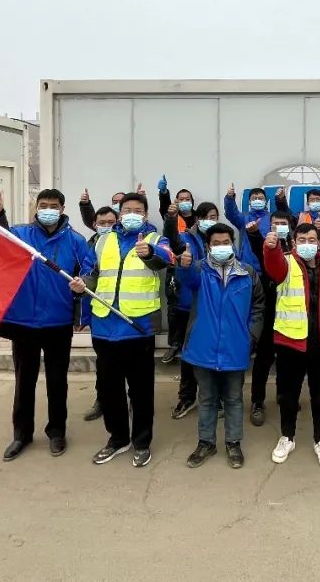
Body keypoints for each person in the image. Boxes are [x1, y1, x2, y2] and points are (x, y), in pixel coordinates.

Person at [0, 189, 95, 462]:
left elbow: (90, 271)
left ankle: (57, 432)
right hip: (23, 321)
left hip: (58, 321)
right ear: (36, 207)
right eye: (43, 205)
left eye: (53, 206)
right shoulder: (21, 234)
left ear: (62, 209)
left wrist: (83, 284)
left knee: (57, 382)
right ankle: (21, 434)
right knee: (24, 381)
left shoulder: (76, 241)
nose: (48, 210)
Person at [70, 193, 172, 469]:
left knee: (141, 391)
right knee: (109, 390)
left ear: (145, 214)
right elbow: (92, 272)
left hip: (138, 327)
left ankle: (141, 442)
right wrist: (82, 283)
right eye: (127, 209)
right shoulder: (103, 240)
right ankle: (118, 439)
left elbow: (166, 258)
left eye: (137, 210)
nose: (131, 214)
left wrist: (150, 253)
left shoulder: (154, 239)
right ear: (119, 212)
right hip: (104, 327)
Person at [262, 223, 320, 469]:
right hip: (290, 344)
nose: (307, 244)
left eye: (312, 239)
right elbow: (273, 266)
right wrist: (270, 248)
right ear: (293, 242)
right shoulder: (285, 263)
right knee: (288, 395)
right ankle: (287, 437)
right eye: (302, 239)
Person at [177, 224, 264, 469]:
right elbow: (185, 278)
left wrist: (251, 337)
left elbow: (259, 306)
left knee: (234, 399)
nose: (221, 246)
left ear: (233, 244)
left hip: (236, 348)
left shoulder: (247, 272)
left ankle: (233, 443)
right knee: (207, 399)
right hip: (202, 348)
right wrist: (183, 265)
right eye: (216, 243)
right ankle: (206, 442)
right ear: (208, 246)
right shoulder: (198, 269)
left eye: (226, 242)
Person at [166, 202, 221, 419]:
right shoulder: (186, 238)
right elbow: (172, 240)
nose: (211, 220)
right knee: (188, 355)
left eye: (214, 216)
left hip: (213, 306)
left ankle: (216, 398)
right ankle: (187, 397)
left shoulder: (222, 240)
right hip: (187, 305)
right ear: (197, 219)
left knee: (213, 352)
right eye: (207, 216)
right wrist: (171, 219)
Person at [247, 210, 293, 426]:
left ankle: (284, 396)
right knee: (263, 361)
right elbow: (259, 248)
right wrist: (254, 234)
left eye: (283, 223)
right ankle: (257, 401)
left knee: (287, 360)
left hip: (291, 314)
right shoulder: (267, 244)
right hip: (269, 312)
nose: (279, 226)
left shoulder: (296, 246)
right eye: (276, 223)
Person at [80, 206, 118, 422]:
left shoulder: (128, 244)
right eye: (102, 223)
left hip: (126, 313)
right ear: (94, 225)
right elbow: (87, 276)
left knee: (129, 364)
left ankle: (131, 401)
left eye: (111, 222)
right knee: (103, 362)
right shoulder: (91, 246)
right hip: (100, 314)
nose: (107, 226)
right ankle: (102, 400)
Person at [160, 183, 200, 365]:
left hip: (196, 269)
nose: (184, 202)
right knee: (174, 306)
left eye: (187, 199)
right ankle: (174, 343)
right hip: (175, 267)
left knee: (195, 306)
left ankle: (191, 342)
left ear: (192, 201)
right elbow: (169, 229)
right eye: (181, 199)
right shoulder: (172, 217)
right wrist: (164, 193)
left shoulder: (200, 219)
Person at [224, 182, 288, 244]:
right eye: (254, 199)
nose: (257, 200)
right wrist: (229, 198)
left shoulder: (272, 218)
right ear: (249, 202)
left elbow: (286, 218)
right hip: (248, 251)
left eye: (261, 198)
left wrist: (281, 199)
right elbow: (231, 214)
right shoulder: (244, 218)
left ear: (265, 202)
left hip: (268, 250)